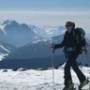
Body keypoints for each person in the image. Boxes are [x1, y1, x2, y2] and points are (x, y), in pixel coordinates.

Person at [50, 21, 89, 90]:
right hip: (69, 53)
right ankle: (83, 80)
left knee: (66, 67)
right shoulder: (66, 34)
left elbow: (82, 42)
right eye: (66, 26)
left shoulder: (76, 33)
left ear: (72, 26)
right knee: (75, 67)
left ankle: (69, 85)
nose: (67, 27)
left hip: (75, 52)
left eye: (69, 26)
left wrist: (83, 48)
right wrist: (55, 46)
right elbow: (63, 44)